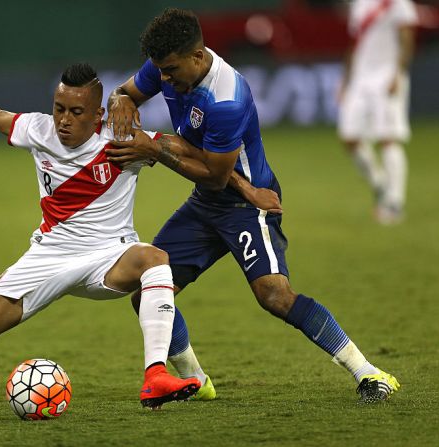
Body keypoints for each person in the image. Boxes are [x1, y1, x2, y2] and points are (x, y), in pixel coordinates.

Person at [106, 8, 399, 403]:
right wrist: (120, 98)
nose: (163, 79)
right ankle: (197, 381)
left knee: (275, 295)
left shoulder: (225, 97)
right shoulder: (168, 64)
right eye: (159, 70)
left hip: (246, 206)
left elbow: (213, 173)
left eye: (171, 69)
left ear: (197, 56)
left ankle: (369, 373)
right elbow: (125, 90)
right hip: (206, 202)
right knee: (148, 290)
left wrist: (154, 147)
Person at [0, 63, 203, 411]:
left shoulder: (123, 140)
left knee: (154, 258)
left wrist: (157, 152)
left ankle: (155, 376)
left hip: (109, 256)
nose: (64, 120)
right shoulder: (37, 129)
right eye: (59, 109)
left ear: (98, 115)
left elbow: (190, 154)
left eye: (76, 112)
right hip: (48, 255)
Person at [338, 0, 417, 225]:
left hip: (386, 75)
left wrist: (399, 73)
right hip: (361, 79)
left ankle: (395, 203)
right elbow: (357, 44)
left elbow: (406, 37)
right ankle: (381, 183)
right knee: (349, 138)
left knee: (388, 138)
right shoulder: (359, 4)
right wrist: (345, 81)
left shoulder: (398, 3)